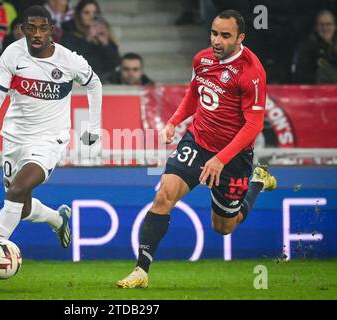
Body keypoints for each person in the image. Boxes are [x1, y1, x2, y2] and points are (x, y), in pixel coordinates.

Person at [116, 9, 277, 289]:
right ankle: (141, 270)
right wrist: (174, 121)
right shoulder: (201, 59)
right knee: (164, 195)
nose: (217, 40)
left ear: (241, 38)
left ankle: (257, 182)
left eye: (225, 36)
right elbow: (195, 93)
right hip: (197, 141)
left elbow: (253, 127)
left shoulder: (252, 72)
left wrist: (220, 160)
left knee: (223, 227)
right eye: (214, 33)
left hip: (234, 156)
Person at [0, 5, 102, 289]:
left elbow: (94, 83)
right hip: (14, 138)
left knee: (16, 191)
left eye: (42, 28)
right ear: (23, 30)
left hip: (50, 140)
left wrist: (94, 127)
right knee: (20, 207)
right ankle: (57, 217)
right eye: (31, 28)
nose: (37, 34)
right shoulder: (13, 53)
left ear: (52, 30)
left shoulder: (69, 61)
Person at [61, 0, 119, 81]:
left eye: (95, 13)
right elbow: (73, 62)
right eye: (86, 13)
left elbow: (115, 63)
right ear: (79, 15)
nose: (92, 16)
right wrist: (88, 38)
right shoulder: (69, 34)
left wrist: (106, 43)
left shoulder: (103, 31)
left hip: (103, 81)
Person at [292, 10, 337, 84]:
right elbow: (301, 76)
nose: (325, 28)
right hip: (316, 91)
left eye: (329, 24)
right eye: (321, 25)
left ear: (335, 26)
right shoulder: (305, 48)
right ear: (316, 27)